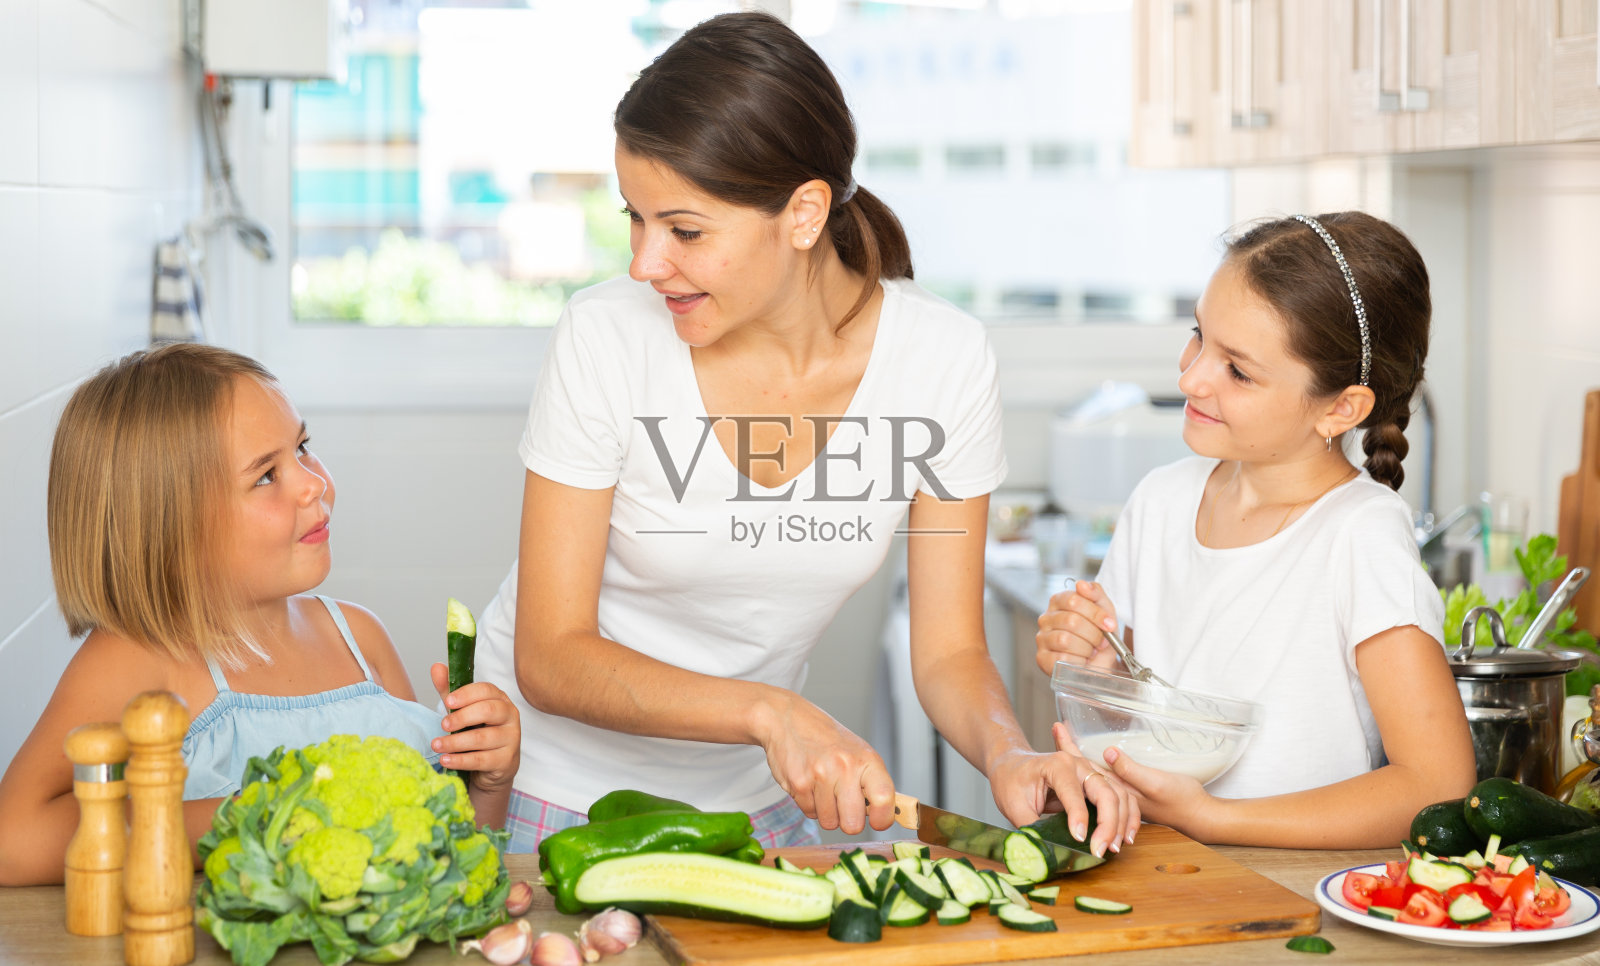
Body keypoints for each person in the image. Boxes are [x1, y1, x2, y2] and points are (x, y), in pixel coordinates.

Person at [473, 11, 1138, 855]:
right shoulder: (605, 334)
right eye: (635, 218)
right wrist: (771, 712)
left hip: (753, 802)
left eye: (684, 230)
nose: (644, 263)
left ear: (804, 213)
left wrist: (1011, 755)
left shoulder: (942, 358)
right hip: (551, 789)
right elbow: (551, 656)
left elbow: (948, 651)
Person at [0, 343, 520, 886]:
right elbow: (13, 839)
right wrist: (260, 815)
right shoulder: (136, 661)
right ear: (171, 529)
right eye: (266, 475)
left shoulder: (360, 638)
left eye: (303, 447)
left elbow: (447, 856)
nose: (314, 482)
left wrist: (487, 784)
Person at [1036, 211, 1477, 849]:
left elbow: (1436, 783)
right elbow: (1144, 717)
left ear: (1340, 407)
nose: (1190, 378)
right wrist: (1097, 673)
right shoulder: (1161, 500)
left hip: (1287, 887)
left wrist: (1210, 817)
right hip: (1161, 869)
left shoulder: (1360, 535)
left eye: (1238, 371)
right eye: (1198, 336)